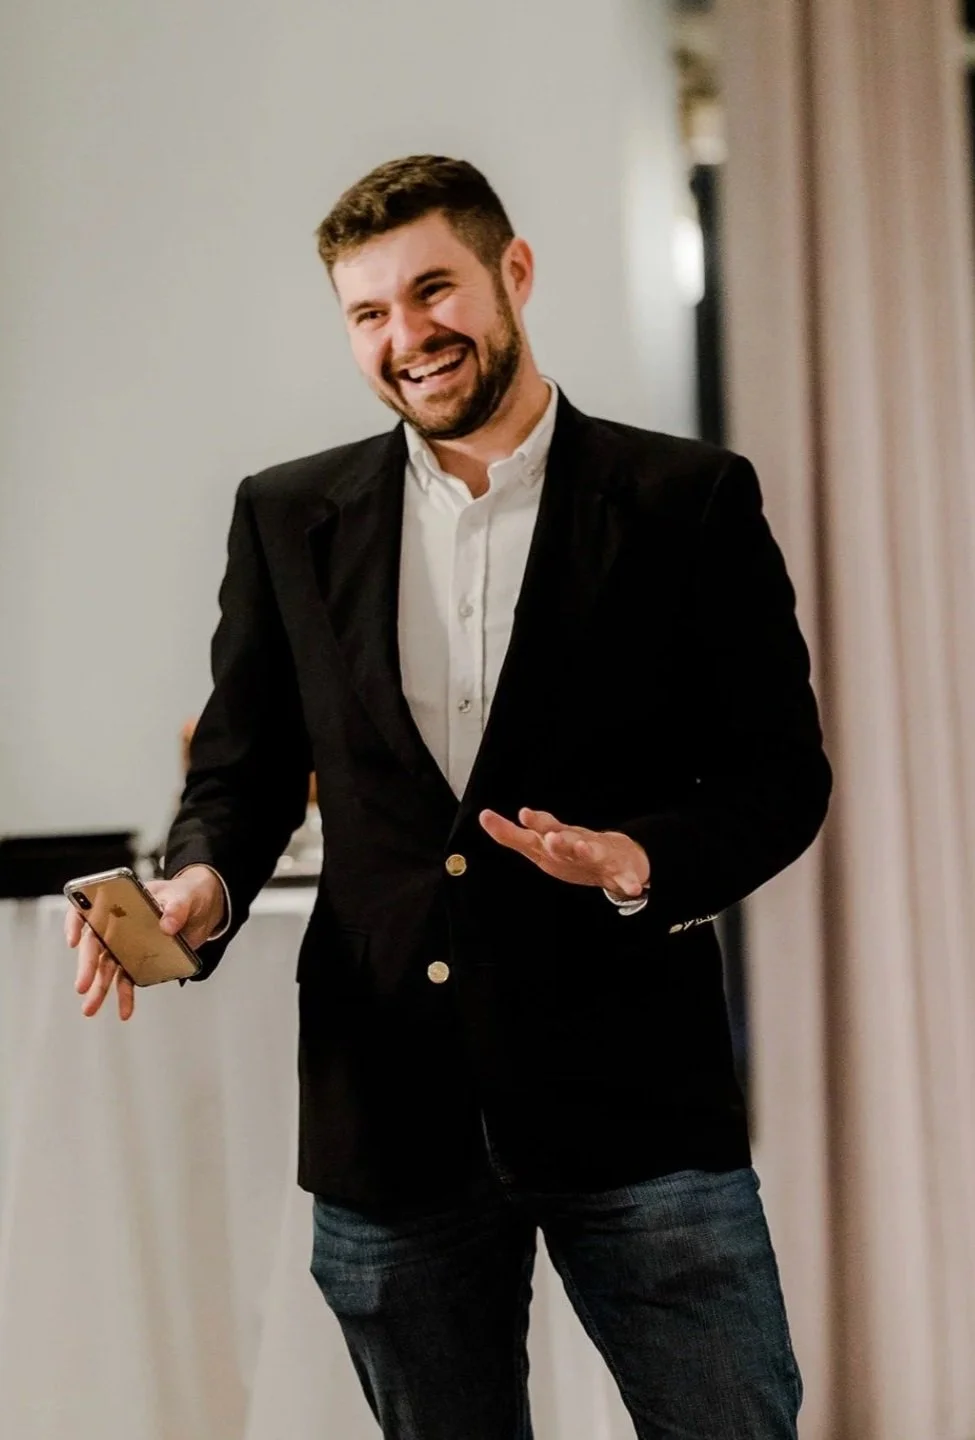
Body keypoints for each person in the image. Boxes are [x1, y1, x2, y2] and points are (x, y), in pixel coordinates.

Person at [65, 155, 831, 1440]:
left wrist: (638, 857)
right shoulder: (285, 515)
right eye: (369, 312)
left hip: (633, 1094)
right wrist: (199, 882)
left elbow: (782, 777)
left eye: (435, 291)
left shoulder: (687, 500)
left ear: (512, 274)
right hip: (388, 1108)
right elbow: (241, 774)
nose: (408, 337)